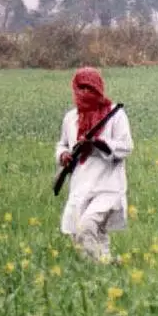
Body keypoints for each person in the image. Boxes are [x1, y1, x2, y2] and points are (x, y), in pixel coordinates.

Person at [56, 67, 133, 263]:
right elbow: (63, 144)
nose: (84, 93)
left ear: (98, 89)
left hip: (108, 187)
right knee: (82, 235)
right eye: (80, 88)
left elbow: (126, 147)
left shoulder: (115, 115)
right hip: (81, 185)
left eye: (89, 88)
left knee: (87, 226)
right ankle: (105, 271)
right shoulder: (70, 118)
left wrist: (97, 145)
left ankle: (103, 268)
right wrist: (64, 154)